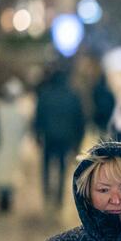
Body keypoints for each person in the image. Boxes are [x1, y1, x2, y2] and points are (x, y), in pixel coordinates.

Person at [33, 67, 86, 207]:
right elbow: (79, 120)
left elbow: (38, 116)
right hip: (66, 138)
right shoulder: (73, 96)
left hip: (49, 137)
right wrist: (78, 142)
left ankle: (47, 193)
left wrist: (37, 135)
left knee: (46, 166)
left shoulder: (45, 94)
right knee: (62, 167)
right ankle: (59, 198)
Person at [0, 76, 34, 212]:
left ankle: (2, 199)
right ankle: (7, 198)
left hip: (1, 147)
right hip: (13, 148)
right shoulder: (17, 113)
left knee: (1, 172)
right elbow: (23, 129)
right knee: (10, 173)